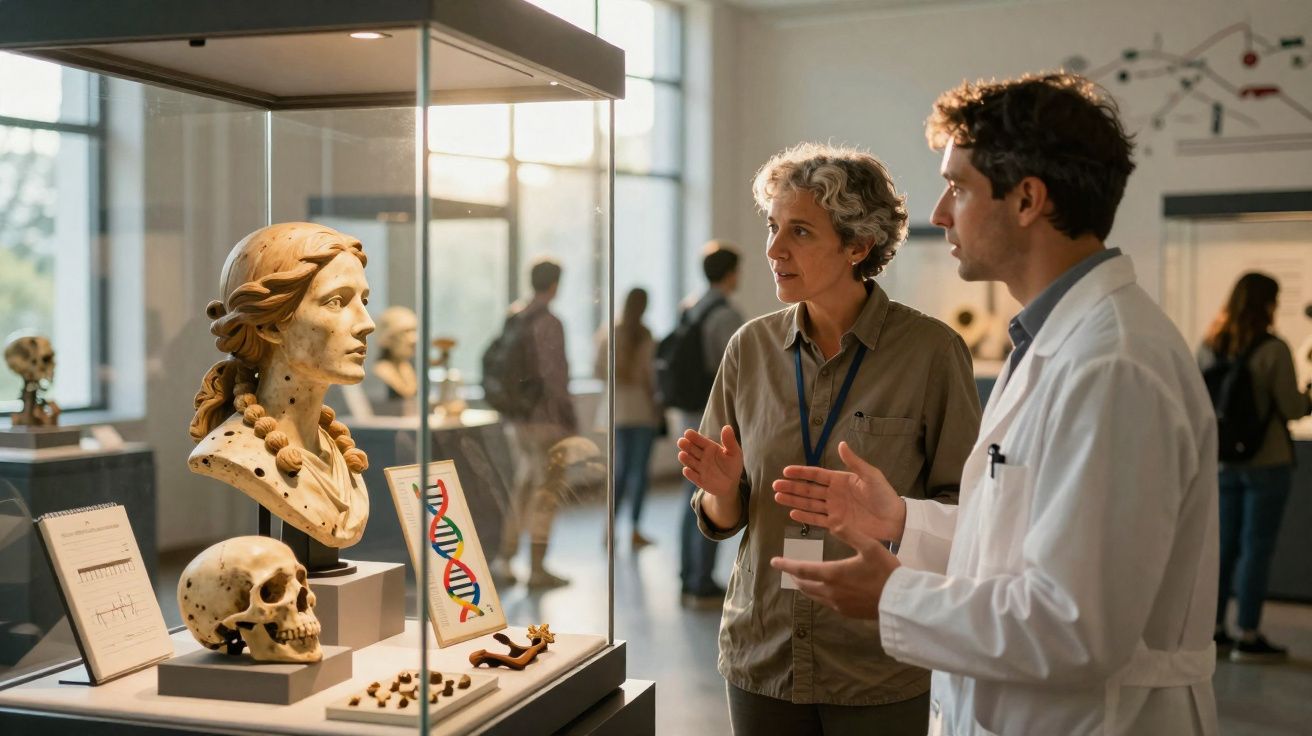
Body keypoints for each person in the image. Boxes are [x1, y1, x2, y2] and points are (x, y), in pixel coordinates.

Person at [772, 73, 1222, 735]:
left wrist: (894, 596)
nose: (940, 214)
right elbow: (1024, 545)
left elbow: (1075, 626)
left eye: (958, 187)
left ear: (1027, 200)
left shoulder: (1113, 365)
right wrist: (900, 517)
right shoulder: (1054, 341)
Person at [678, 143, 981, 735]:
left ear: (857, 246)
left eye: (799, 232)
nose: (773, 250)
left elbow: (967, 510)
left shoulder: (931, 353)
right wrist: (719, 492)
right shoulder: (749, 349)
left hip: (877, 660)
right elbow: (725, 514)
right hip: (761, 651)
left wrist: (892, 516)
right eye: (772, 227)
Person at [189, 222, 374, 550]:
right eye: (336, 302)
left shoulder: (336, 451)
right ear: (270, 324)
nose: (366, 323)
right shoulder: (236, 453)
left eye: (363, 301)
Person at [1199, 272, 1312, 662]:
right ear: (1267, 303)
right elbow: (1293, 409)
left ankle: (1213, 630)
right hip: (1268, 463)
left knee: (1223, 548)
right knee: (1256, 549)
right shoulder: (1273, 349)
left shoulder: (1211, 345)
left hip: (1224, 461)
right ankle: (1249, 634)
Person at [491, 257, 578, 588]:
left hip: (518, 420)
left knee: (523, 487)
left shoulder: (515, 315)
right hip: (546, 421)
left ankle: (506, 558)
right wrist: (569, 419)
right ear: (554, 284)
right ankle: (538, 568)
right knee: (547, 493)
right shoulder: (550, 322)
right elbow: (555, 377)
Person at [677, 241, 744, 605]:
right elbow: (734, 371)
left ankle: (688, 574)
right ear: (730, 273)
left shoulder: (690, 306)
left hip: (688, 411)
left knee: (690, 489)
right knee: (711, 489)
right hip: (714, 414)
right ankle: (701, 579)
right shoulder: (727, 315)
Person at [594, 287, 662, 549]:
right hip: (642, 410)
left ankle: (608, 530)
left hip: (616, 411)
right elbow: (650, 378)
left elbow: (598, 370)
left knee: (619, 473)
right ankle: (634, 529)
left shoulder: (609, 332)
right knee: (639, 473)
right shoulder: (645, 335)